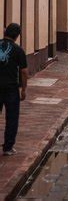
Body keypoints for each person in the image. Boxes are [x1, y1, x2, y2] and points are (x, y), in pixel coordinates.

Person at [0, 23, 28, 156]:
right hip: (11, 88)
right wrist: (24, 89)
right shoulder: (18, 50)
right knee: (12, 118)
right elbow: (24, 71)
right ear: (17, 36)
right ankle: (8, 147)